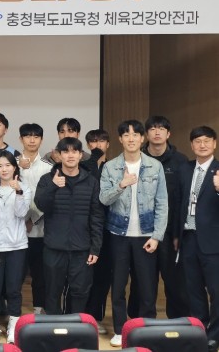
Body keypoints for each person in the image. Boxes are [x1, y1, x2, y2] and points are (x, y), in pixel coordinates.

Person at [99, 120, 168, 348]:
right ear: (120, 139)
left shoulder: (154, 166)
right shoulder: (110, 167)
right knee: (118, 286)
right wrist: (121, 185)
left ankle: (146, 328)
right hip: (118, 234)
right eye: (126, 135)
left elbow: (162, 203)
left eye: (135, 134)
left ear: (142, 138)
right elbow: (103, 199)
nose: (131, 138)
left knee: (147, 287)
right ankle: (120, 330)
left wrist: (156, 236)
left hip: (146, 235)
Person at [34, 138, 104, 318]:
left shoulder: (91, 182)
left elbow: (96, 216)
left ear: (81, 155)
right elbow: (41, 205)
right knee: (52, 292)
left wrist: (95, 248)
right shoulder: (47, 179)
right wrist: (53, 186)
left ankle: (76, 329)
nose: (70, 155)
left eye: (74, 151)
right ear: (59, 155)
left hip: (82, 248)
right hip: (54, 247)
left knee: (80, 291)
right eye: (66, 151)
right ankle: (53, 328)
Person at [132, 116, 189, 319]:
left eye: (162, 129)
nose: (157, 132)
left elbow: (182, 200)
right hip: (142, 230)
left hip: (170, 232)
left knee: (174, 279)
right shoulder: (136, 158)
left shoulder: (180, 161)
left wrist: (178, 233)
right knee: (142, 280)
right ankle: (140, 321)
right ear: (146, 134)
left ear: (168, 133)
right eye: (153, 129)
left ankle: (178, 320)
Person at [0, 151, 31, 344]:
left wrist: (18, 192)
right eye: (0, 165)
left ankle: (13, 327)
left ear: (15, 167)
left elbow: (22, 213)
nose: (4, 169)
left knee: (13, 289)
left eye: (8, 165)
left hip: (17, 247)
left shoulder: (23, 188)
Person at [175, 126, 219, 343]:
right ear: (191, 145)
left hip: (213, 242)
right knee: (193, 290)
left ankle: (214, 335)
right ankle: (199, 331)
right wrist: (176, 235)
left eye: (207, 141)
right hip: (188, 238)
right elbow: (178, 203)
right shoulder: (185, 168)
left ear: (215, 144)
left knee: (216, 291)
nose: (202, 145)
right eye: (198, 141)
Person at [17, 123, 51, 316]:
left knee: (40, 274)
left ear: (41, 140)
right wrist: (23, 219)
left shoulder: (48, 168)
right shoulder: (10, 165)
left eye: (36, 136)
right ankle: (13, 313)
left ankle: (39, 310)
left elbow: (49, 198)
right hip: (15, 231)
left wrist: (33, 219)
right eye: (27, 136)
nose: (32, 140)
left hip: (40, 230)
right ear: (21, 139)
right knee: (15, 275)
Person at [82, 128, 112, 333]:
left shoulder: (115, 167)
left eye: (101, 141)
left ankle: (95, 317)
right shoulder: (83, 167)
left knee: (103, 276)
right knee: (83, 275)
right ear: (87, 145)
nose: (97, 145)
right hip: (86, 228)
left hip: (109, 228)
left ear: (108, 144)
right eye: (93, 141)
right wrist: (93, 161)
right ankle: (79, 315)